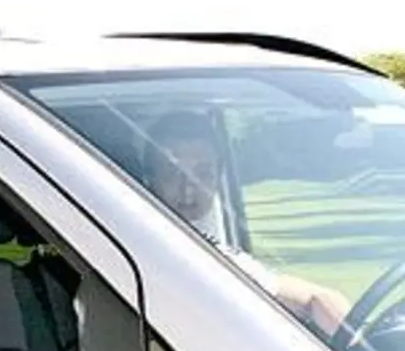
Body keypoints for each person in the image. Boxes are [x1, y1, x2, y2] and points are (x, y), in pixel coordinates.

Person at [141, 111, 354, 337]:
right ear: (149, 178)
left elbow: (312, 298)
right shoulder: (129, 246)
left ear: (218, 178)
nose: (188, 188)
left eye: (203, 173)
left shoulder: (210, 252)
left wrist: (357, 346)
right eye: (172, 173)